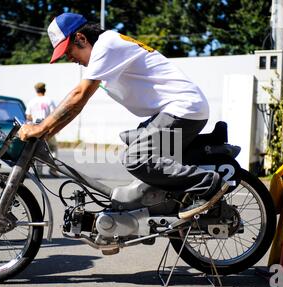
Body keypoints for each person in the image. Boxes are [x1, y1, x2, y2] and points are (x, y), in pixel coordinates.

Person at [18, 13, 228, 218]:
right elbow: (78, 105)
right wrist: (47, 133)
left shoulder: (105, 45)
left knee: (136, 158)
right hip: (178, 110)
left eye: (68, 50)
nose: (69, 58)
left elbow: (78, 96)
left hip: (183, 109)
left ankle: (208, 183)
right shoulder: (106, 50)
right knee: (131, 139)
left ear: (81, 38)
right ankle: (159, 208)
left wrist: (41, 128)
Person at [25, 82, 59, 177]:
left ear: (36, 91)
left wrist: (35, 119)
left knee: (37, 149)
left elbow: (28, 116)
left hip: (35, 129)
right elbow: (54, 115)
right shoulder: (49, 100)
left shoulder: (31, 101)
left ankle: (39, 172)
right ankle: (53, 169)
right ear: (45, 90)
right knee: (53, 148)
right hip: (47, 128)